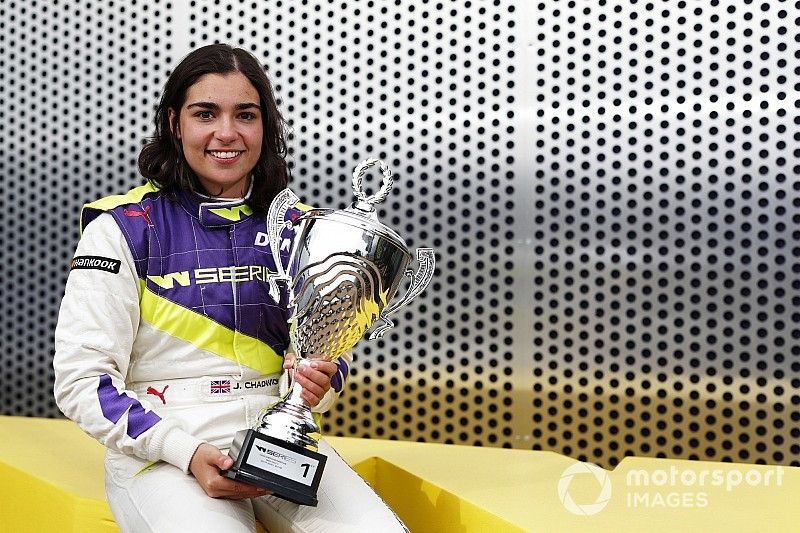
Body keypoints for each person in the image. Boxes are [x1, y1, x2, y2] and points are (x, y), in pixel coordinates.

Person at [53, 43, 407, 532]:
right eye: (206, 114)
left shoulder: (298, 228)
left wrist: (317, 383)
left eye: (245, 114)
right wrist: (185, 450)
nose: (227, 133)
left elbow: (330, 348)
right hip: (164, 456)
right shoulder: (122, 227)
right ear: (176, 123)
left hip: (281, 449)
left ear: (266, 126)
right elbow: (81, 381)